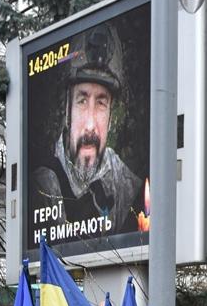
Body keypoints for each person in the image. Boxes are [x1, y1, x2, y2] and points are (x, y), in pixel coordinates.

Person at [33, 26, 143, 233]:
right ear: (67, 109)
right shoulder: (40, 185)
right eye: (82, 101)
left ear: (111, 116)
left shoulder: (128, 186)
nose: (91, 125)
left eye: (101, 103)